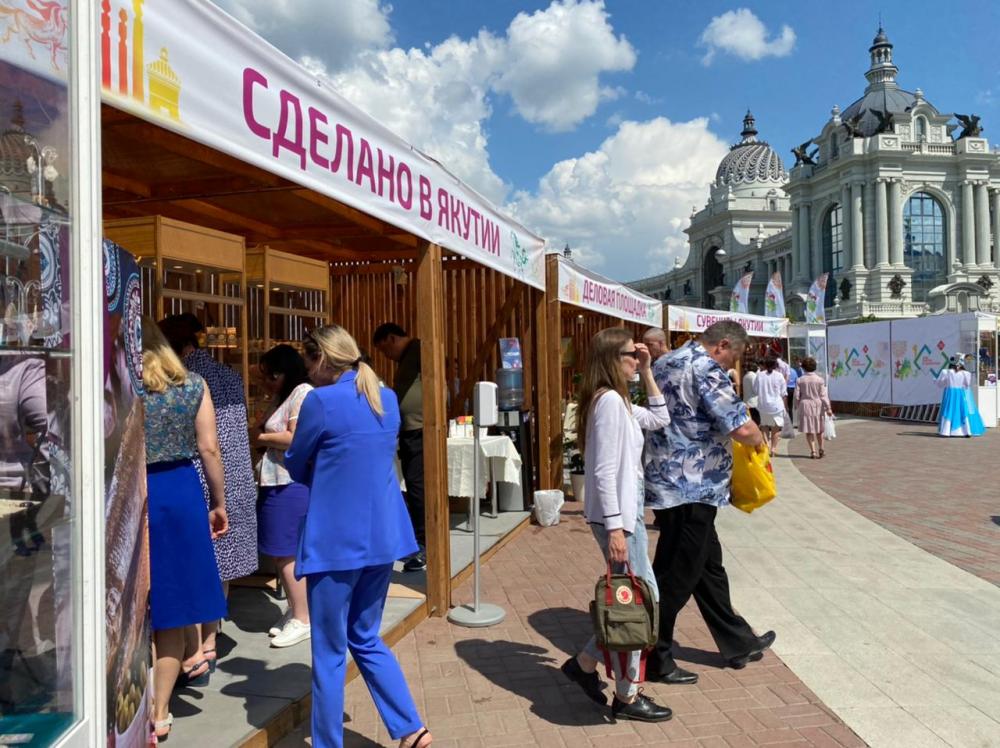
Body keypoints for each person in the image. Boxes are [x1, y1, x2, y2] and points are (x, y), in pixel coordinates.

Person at [286, 325, 431, 748]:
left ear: (322, 359)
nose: (307, 371)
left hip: (335, 540)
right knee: (365, 637)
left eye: (308, 361)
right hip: (382, 537)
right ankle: (410, 728)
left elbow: (296, 462)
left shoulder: (322, 402)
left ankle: (329, 742)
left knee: (329, 652)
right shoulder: (383, 397)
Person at [644, 321, 775, 685]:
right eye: (734, 357)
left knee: (706, 567)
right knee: (676, 574)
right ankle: (654, 655)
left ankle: (738, 641)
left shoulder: (665, 362)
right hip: (693, 485)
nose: (733, 365)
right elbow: (740, 426)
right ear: (723, 345)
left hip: (670, 480)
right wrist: (760, 442)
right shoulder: (705, 368)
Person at [560, 328, 673, 723]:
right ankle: (626, 693)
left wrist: (646, 371)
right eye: (630, 354)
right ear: (611, 358)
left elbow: (661, 417)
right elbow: (604, 473)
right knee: (639, 604)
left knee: (634, 603)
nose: (636, 358)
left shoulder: (619, 400)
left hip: (627, 516)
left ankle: (586, 664)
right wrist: (614, 530)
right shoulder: (608, 402)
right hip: (619, 519)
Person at [140, 318, 228, 741]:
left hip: (131, 490)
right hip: (179, 491)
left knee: (133, 607)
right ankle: (159, 712)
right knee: (172, 613)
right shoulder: (192, 385)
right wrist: (219, 501)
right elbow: (209, 447)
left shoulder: (122, 386)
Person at [159, 313, 258, 669]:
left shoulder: (184, 381)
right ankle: (211, 639)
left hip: (203, 479)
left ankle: (194, 649)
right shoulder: (229, 375)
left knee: (200, 567)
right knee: (224, 564)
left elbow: (203, 444)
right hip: (237, 478)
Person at [254, 345, 314, 648]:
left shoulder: (302, 392)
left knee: (286, 550)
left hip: (288, 482)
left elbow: (294, 438)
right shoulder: (282, 395)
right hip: (272, 480)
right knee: (281, 551)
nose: (266, 383)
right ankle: (297, 608)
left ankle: (303, 618)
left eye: (271, 376)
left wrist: (262, 437)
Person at [373, 323, 426, 572]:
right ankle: (419, 542)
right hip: (410, 430)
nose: (387, 357)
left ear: (392, 338)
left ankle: (423, 545)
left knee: (417, 486)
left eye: (385, 350)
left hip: (419, 429)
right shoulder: (409, 357)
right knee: (414, 485)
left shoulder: (417, 349)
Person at [794, 357, 833, 458]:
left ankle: (813, 451)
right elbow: (824, 395)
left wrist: (797, 405)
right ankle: (821, 449)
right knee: (819, 429)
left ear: (803, 368)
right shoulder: (820, 380)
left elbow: (796, 396)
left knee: (809, 430)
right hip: (817, 405)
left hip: (805, 405)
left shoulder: (800, 380)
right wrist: (828, 408)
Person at [937, 355, 983, 437]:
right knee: (962, 410)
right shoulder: (966, 373)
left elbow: (940, 384)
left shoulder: (946, 372)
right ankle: (965, 431)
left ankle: (946, 431)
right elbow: (966, 385)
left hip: (950, 393)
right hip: (960, 394)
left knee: (949, 409)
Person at [754, 356, 787, 455]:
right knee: (775, 428)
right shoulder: (779, 376)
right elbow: (783, 392)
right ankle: (773, 449)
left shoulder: (759, 375)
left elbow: (755, 390)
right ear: (776, 365)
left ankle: (766, 445)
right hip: (776, 405)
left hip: (763, 404)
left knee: (764, 425)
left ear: (764, 364)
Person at [959, 356, 986, 436]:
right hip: (965, 391)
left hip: (964, 391)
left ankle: (969, 428)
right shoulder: (966, 373)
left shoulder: (964, 373)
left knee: (967, 408)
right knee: (969, 409)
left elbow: (967, 383)